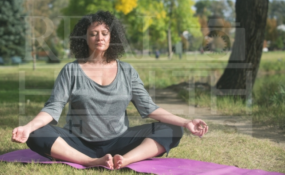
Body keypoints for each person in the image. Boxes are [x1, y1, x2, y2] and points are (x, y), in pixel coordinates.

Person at [11, 11, 208, 170]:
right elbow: (53, 108)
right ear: (84, 37)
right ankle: (90, 162)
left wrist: (186, 122)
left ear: (112, 37)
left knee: (172, 129)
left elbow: (149, 108)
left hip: (119, 142)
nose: (99, 37)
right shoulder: (71, 70)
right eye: (93, 33)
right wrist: (28, 127)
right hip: (78, 142)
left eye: (104, 33)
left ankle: (125, 160)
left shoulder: (127, 71)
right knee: (38, 133)